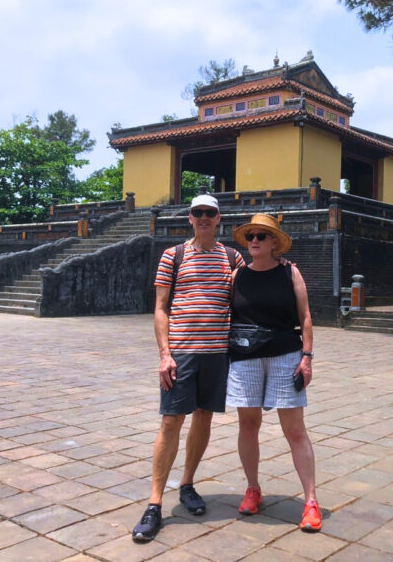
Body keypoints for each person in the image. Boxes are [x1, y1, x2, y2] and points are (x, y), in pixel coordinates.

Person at [132, 194, 244, 543]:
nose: (204, 218)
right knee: (170, 421)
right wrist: (165, 354)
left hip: (216, 354)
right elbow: (161, 308)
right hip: (181, 353)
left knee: (204, 419)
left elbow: (250, 293)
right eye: (198, 213)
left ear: (219, 218)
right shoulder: (173, 255)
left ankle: (188, 484)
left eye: (210, 213)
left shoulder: (232, 257)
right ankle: (154, 504)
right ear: (190, 218)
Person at [225, 213, 321, 532]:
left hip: (284, 354)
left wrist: (306, 357)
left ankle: (310, 500)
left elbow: (305, 316)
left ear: (274, 243)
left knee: (294, 430)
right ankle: (253, 488)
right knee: (248, 423)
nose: (255, 240)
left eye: (262, 236)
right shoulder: (237, 275)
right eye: (251, 235)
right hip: (246, 356)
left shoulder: (290, 272)